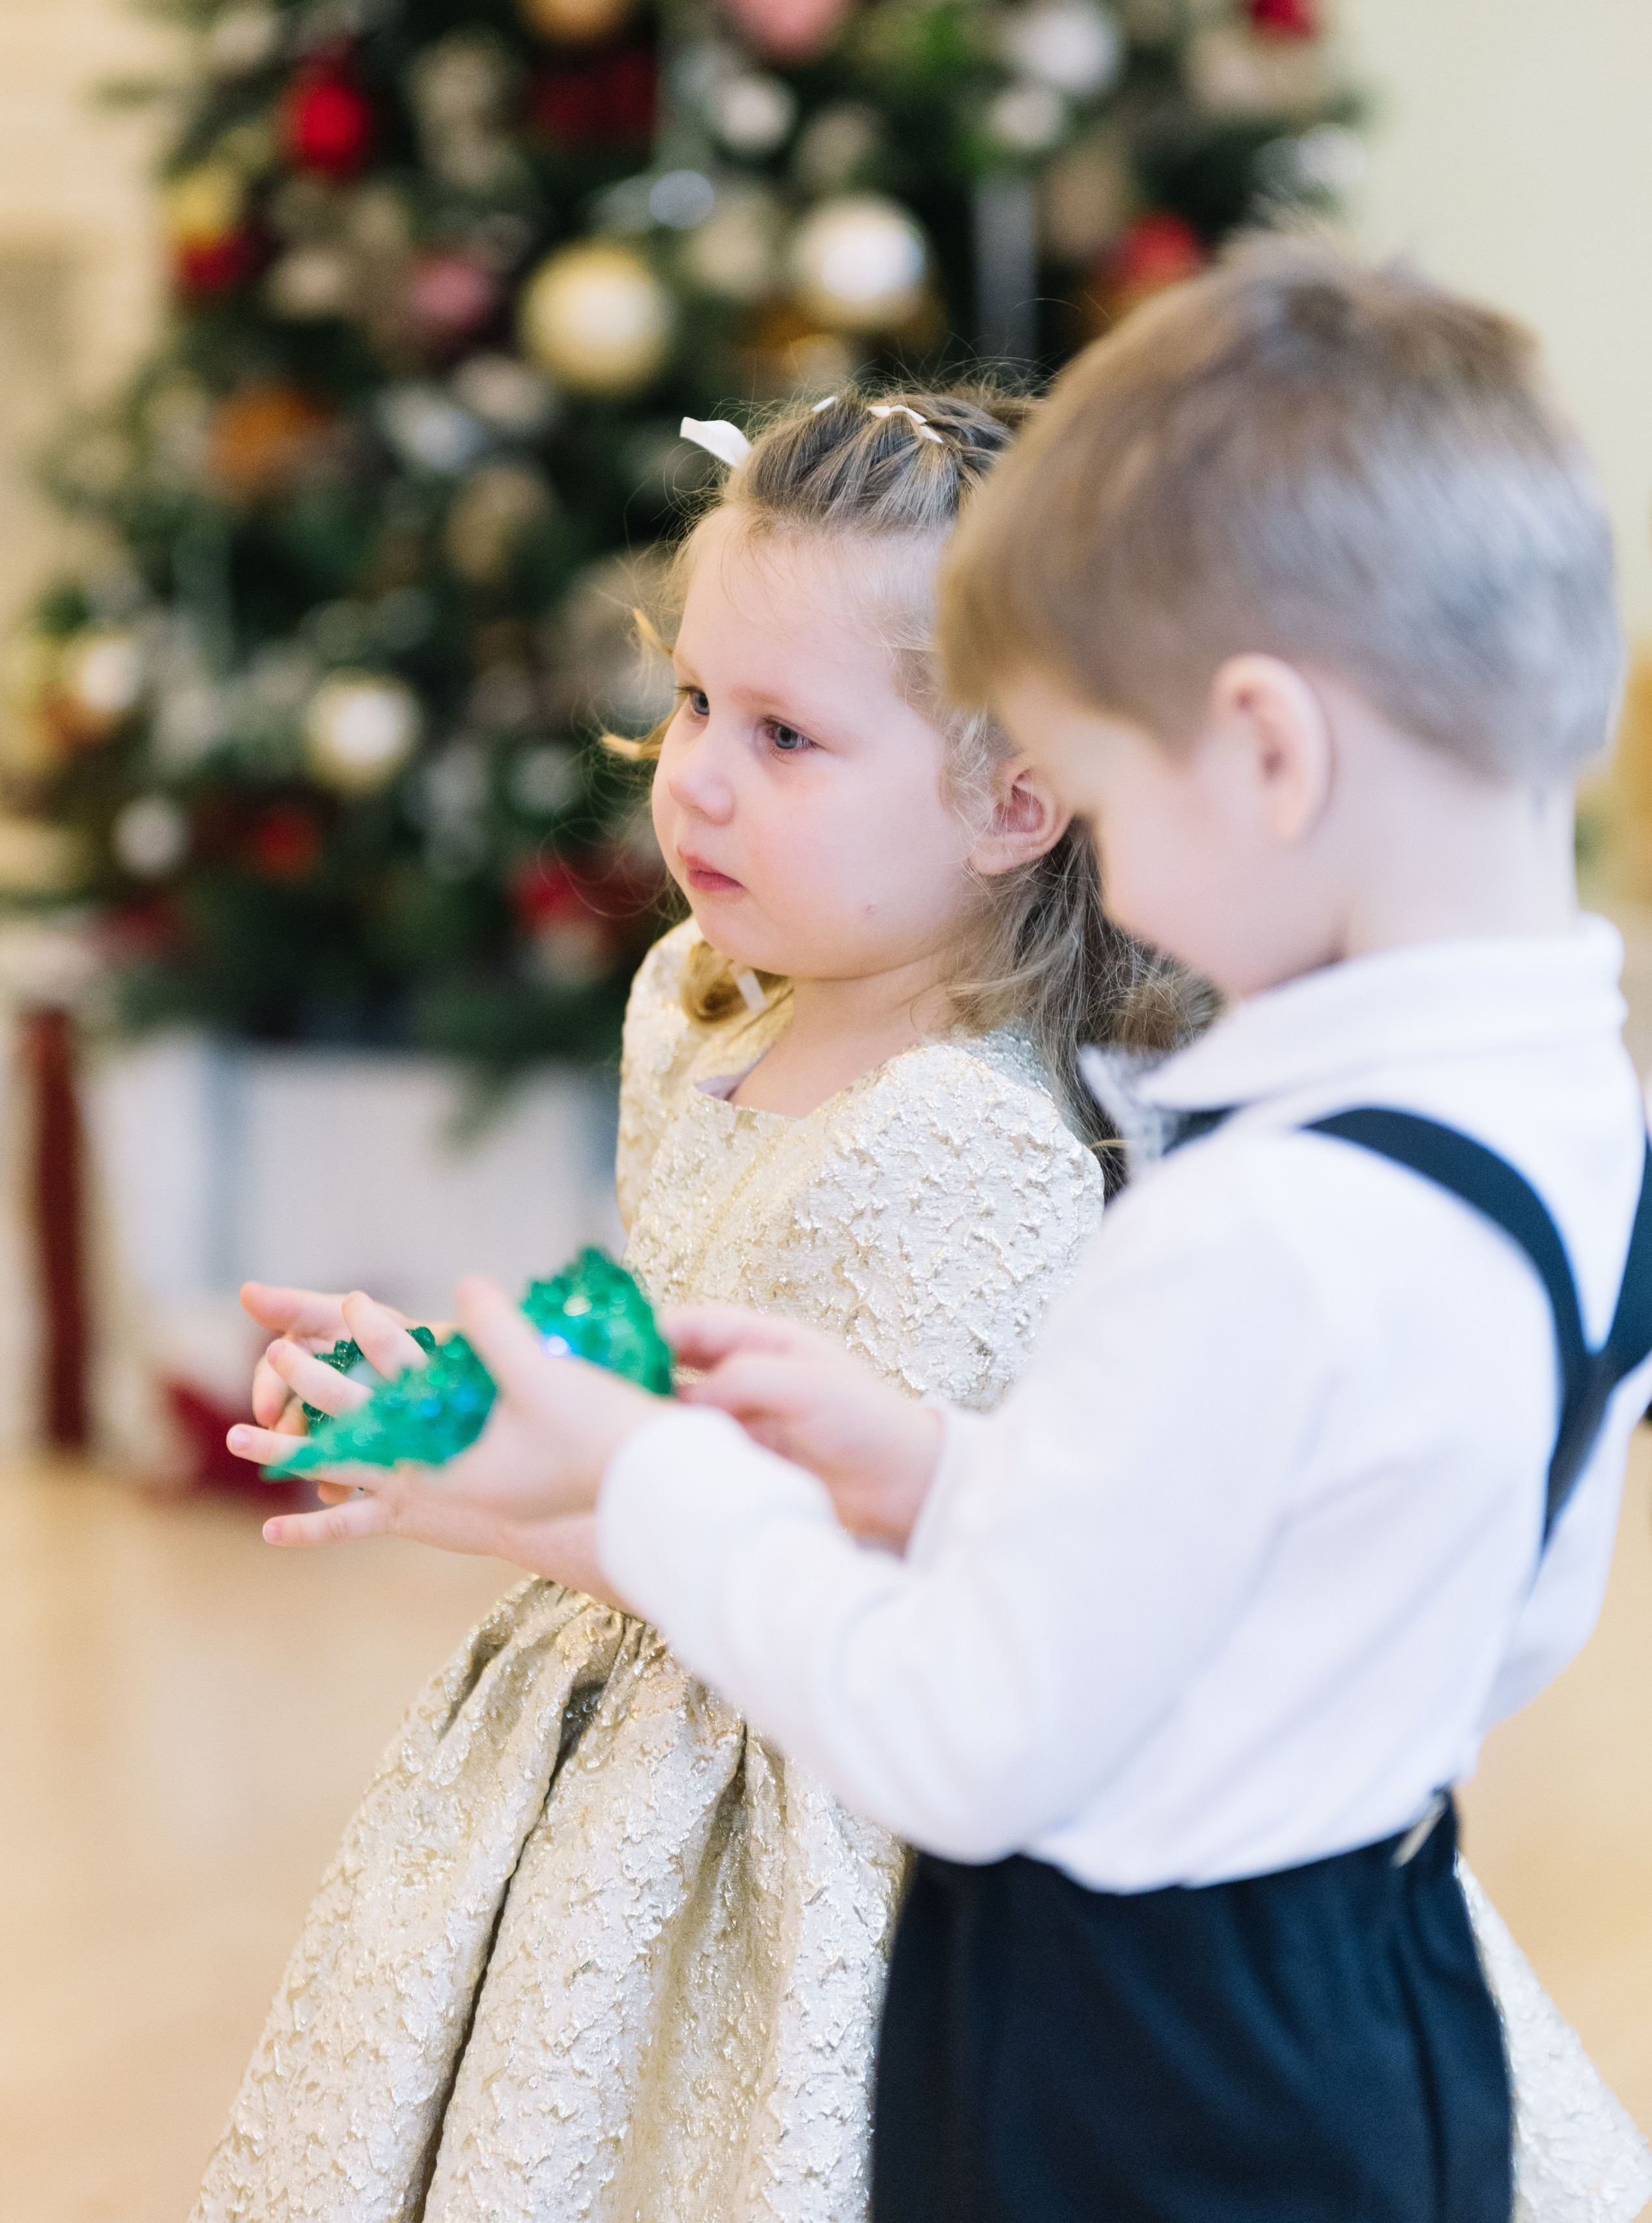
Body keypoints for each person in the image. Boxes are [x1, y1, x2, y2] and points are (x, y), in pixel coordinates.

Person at [374, 240, 1652, 2222]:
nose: (1098, 868)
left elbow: (967, 1743)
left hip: (1156, 2069)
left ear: (1267, 752)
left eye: (1110, 792)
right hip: (1378, 1993)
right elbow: (1367, 1591)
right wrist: (955, 1476)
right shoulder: (1569, 1130)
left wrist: (646, 1487)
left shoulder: (1265, 1226)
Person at [192, 388, 1191, 2223]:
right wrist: (455, 1404)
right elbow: (660, 1379)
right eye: (693, 706)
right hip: (613, 1752)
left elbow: (859, 1581)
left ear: (1013, 799)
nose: (698, 778)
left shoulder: (967, 1140)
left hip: (809, 1828)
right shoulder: (705, 1007)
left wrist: (508, 1493)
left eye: (789, 735)